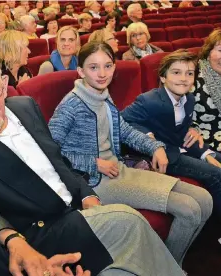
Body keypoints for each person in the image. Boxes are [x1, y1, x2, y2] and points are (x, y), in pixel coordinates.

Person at [0, 48, 187, 276]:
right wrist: (29, 267)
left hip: (76, 209)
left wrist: (86, 194)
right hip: (40, 235)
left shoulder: (25, 107)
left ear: (4, 83)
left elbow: (58, 160)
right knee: (128, 221)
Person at [49, 42, 212, 266]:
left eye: (107, 66)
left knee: (205, 199)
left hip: (119, 169)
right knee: (189, 209)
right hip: (96, 182)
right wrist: (93, 163)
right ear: (80, 71)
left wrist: (156, 147)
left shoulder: (104, 97)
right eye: (93, 67)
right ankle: (166, 268)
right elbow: (49, 148)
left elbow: (124, 130)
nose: (102, 73)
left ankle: (171, 263)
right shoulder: (72, 104)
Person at [122, 49, 221, 217]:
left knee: (217, 158)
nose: (183, 78)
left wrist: (206, 154)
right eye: (176, 72)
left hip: (179, 146)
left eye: (189, 73)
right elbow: (120, 121)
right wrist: (151, 141)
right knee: (216, 174)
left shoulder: (189, 99)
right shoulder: (149, 101)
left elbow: (183, 134)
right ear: (163, 77)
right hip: (164, 156)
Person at [193, 30, 221, 151]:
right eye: (220, 50)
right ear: (208, 52)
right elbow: (181, 118)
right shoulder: (191, 78)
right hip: (208, 140)